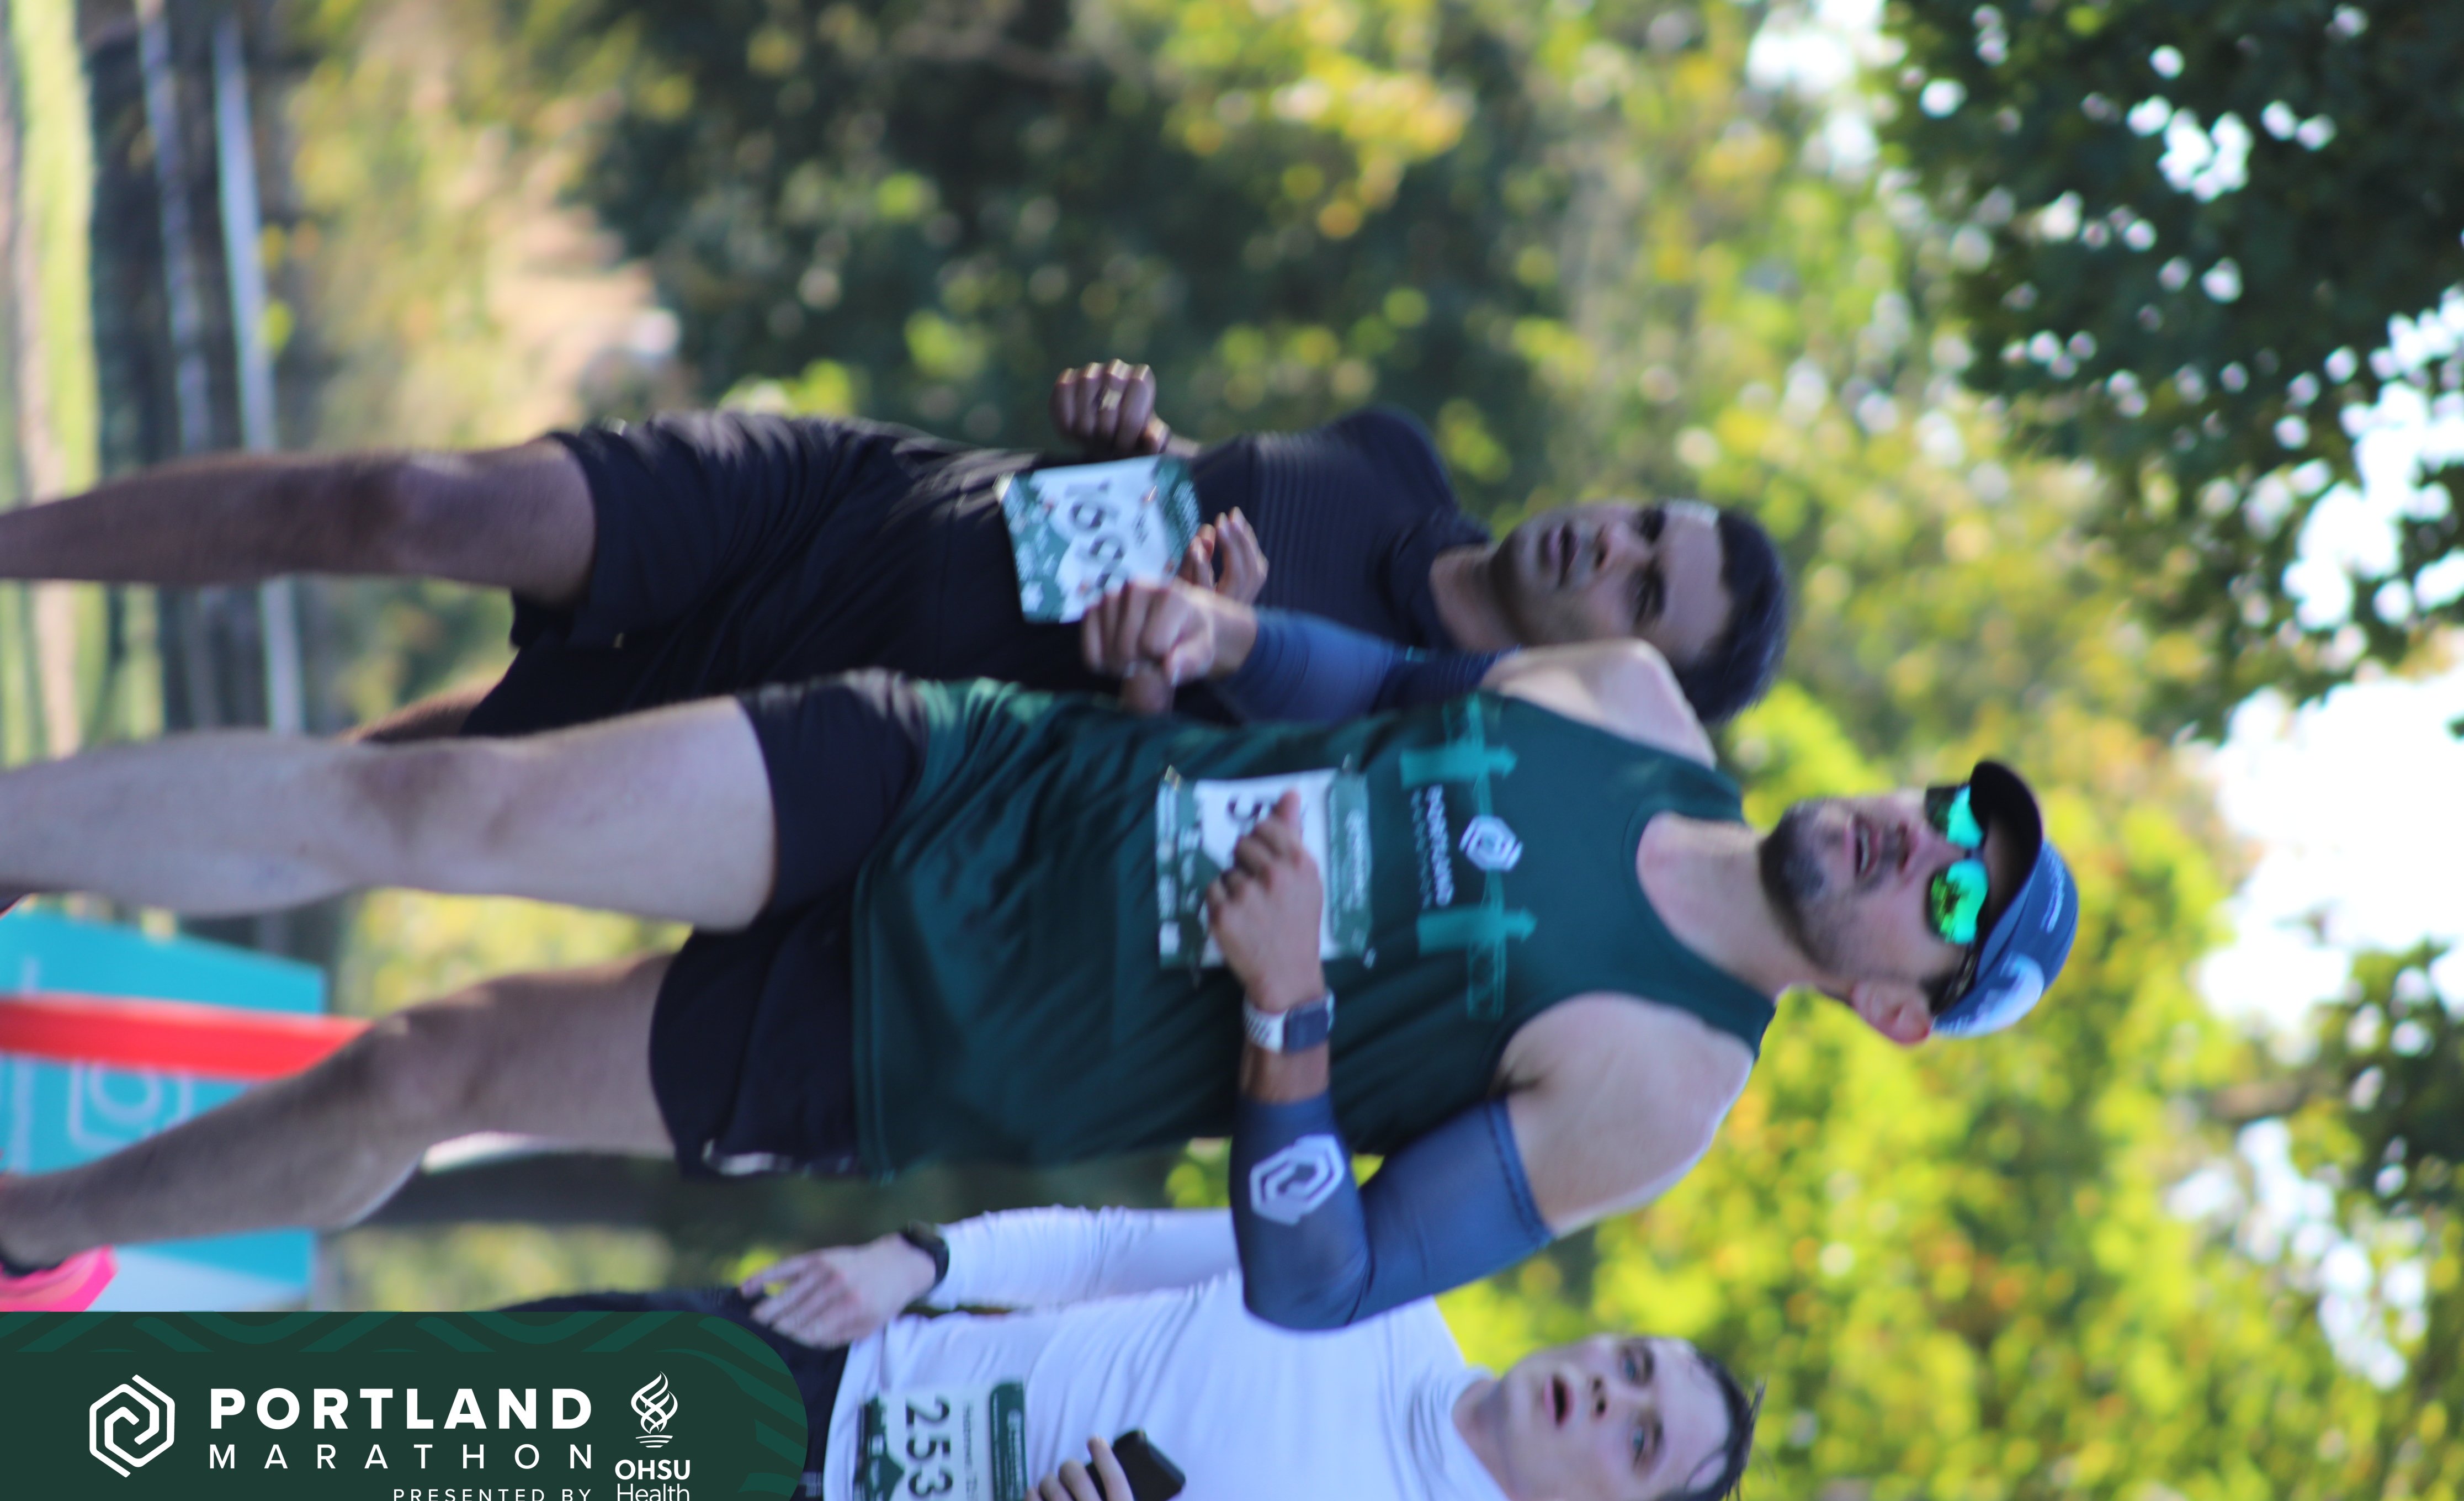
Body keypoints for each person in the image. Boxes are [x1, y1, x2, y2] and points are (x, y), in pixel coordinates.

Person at [0, 619, 2077, 1323]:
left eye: (1956, 896)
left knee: (422, 1074)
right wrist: (1218, 637)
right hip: (976, 778)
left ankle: (31, 1224)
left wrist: (1287, 1012)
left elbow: (1322, 1283)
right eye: (1951, 816)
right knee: (448, 806)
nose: (1925, 843)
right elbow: (1371, 685)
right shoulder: (1624, 694)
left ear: (1897, 1010)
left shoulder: (1667, 1090)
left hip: (935, 1041)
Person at [231, 1205, 1759, 1501]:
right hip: (813, 1379)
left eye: (1639, 1438)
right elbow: (1109, 1246)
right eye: (1633, 1364)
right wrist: (928, 1260)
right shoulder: (1367, 1281)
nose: (1609, 1392)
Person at [0, 362, 1789, 733]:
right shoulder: (1399, 461)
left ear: (1627, 669)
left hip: (834, 712)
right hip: (856, 497)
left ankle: (42, 846)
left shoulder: (1408, 729)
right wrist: (1134, 440)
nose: (1612, 541)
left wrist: (1199, 659)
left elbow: (1148, 837)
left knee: (403, 776)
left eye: (1647, 589)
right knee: (409, 503)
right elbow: (1169, 482)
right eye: (1649, 520)